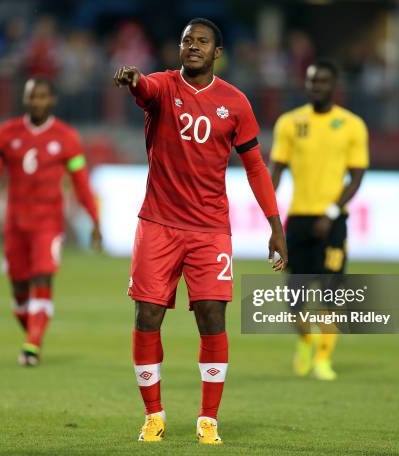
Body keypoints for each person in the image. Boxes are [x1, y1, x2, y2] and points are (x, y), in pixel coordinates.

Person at [114, 18, 287, 445]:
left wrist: (275, 225)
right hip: (158, 223)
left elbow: (256, 167)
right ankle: (153, 415)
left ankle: (208, 419)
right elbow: (145, 90)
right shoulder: (163, 86)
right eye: (187, 40)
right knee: (147, 315)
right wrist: (135, 81)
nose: (193, 45)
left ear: (217, 52)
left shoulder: (236, 103)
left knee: (212, 317)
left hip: (210, 230)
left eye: (202, 41)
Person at [0, 77, 101, 366]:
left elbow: (80, 182)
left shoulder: (66, 138)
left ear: (52, 100)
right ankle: (33, 333)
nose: (37, 101)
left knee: (42, 276)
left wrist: (94, 218)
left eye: (43, 96)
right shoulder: (8, 134)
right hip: (16, 223)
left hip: (48, 222)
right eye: (32, 96)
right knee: (19, 290)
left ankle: (31, 346)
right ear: (25, 99)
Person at [269, 59, 369, 381]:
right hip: (297, 219)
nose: (316, 87)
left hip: (333, 221)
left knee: (331, 292)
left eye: (323, 81)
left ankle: (323, 359)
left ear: (334, 84)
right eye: (312, 81)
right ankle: (305, 341)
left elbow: (356, 177)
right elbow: (276, 170)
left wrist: (331, 211)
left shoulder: (352, 125)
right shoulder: (289, 123)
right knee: (294, 298)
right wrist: (268, 208)